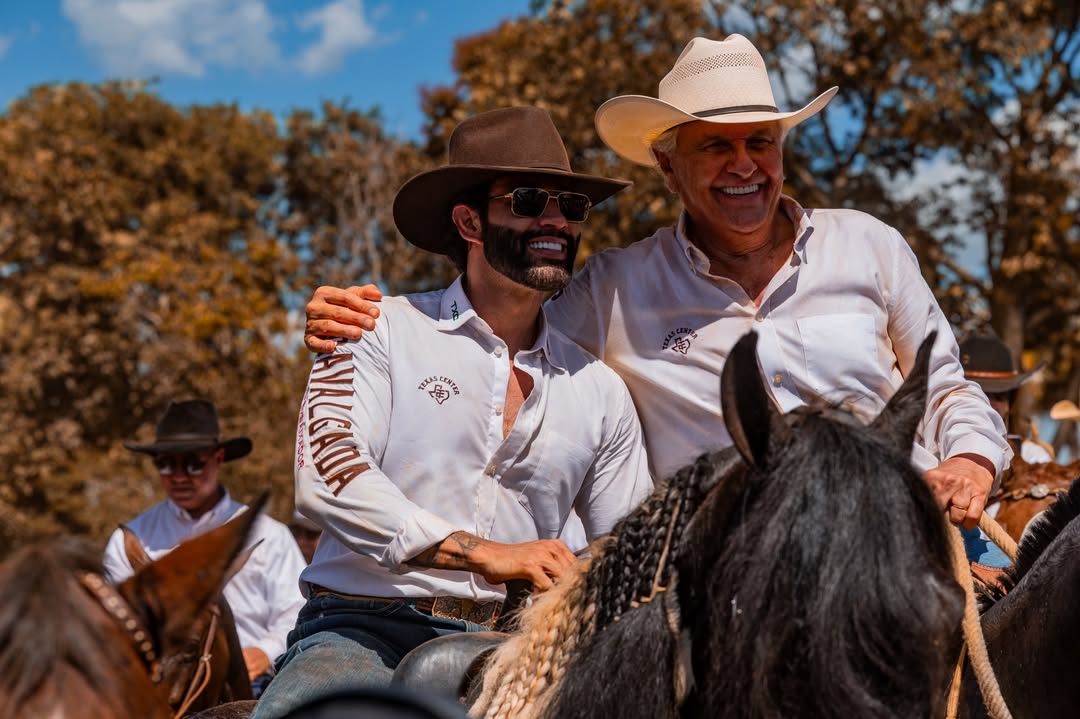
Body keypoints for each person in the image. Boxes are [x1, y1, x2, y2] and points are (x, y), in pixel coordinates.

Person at [302, 35, 1010, 537]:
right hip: (733, 575)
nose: (745, 165)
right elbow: (502, 335)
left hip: (905, 536)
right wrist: (387, 323)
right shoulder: (614, 287)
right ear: (669, 168)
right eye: (715, 146)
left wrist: (972, 460)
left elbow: (945, 384)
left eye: (760, 141)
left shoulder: (871, 245)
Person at [253, 106, 652, 718]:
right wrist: (483, 552)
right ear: (469, 220)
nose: (556, 221)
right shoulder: (374, 329)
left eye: (571, 208)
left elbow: (631, 548)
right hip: (366, 629)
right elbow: (328, 480)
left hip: (524, 645)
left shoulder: (599, 387)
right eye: (528, 200)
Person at [102, 399, 307, 696]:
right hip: (159, 687)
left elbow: (297, 610)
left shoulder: (268, 535)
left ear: (218, 458)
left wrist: (265, 652)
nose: (180, 476)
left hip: (254, 685)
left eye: (193, 463)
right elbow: (116, 623)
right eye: (166, 464)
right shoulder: (128, 540)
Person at [959, 334, 1052, 464]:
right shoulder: (931, 453)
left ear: (1009, 402)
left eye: (999, 394)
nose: (989, 404)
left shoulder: (1032, 458)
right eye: (979, 394)